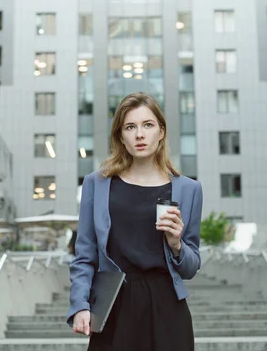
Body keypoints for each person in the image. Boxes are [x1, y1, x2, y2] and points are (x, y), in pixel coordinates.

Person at [66, 92, 203, 350]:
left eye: (148, 125)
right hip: (113, 307)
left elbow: (191, 267)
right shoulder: (97, 184)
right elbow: (84, 255)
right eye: (130, 127)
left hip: (167, 309)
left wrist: (176, 245)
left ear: (161, 132)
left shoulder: (189, 189)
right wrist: (80, 304)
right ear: (121, 136)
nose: (139, 134)